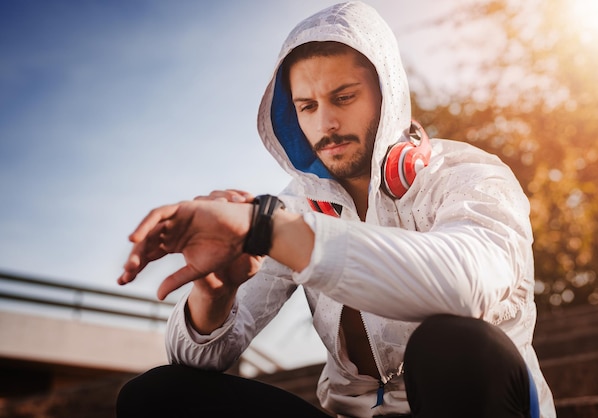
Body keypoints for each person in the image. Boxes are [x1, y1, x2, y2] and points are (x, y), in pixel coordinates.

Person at [116, 2, 556, 417]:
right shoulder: (293, 207)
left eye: (343, 98)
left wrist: (271, 230)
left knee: (455, 342)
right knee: (157, 396)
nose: (325, 123)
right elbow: (194, 358)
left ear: (388, 93)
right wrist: (214, 292)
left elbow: (466, 286)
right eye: (307, 107)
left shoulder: (470, 174)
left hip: (487, 400)